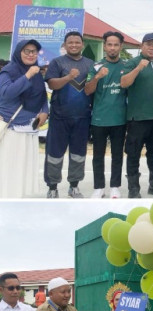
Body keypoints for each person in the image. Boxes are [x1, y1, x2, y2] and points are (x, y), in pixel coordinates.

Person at [121, 32, 153, 198]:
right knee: (133, 154)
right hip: (137, 119)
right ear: (141, 46)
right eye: (148, 44)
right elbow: (124, 83)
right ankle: (133, 189)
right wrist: (138, 68)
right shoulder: (132, 63)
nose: (152, 48)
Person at [44, 31, 93, 198]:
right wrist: (69, 77)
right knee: (54, 154)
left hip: (82, 118)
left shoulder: (90, 64)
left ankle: (74, 186)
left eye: (77, 42)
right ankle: (52, 187)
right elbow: (52, 84)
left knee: (78, 154)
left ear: (82, 44)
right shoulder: (57, 63)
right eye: (70, 42)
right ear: (64, 45)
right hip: (59, 117)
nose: (74, 45)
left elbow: (92, 88)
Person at [0, 39, 48, 198]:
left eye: (34, 51)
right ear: (18, 52)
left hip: (29, 129)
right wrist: (27, 75)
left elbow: (42, 96)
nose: (31, 54)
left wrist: (44, 111)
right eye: (26, 51)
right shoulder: (9, 71)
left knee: (24, 168)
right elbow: (7, 94)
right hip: (13, 129)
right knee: (10, 168)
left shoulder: (37, 73)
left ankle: (20, 199)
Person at [85, 31, 128, 199]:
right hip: (99, 119)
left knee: (117, 154)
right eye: (109, 44)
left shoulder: (126, 66)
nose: (112, 48)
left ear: (120, 46)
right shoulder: (96, 66)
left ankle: (115, 186)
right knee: (98, 155)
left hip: (119, 118)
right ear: (104, 46)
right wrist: (97, 77)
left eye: (116, 44)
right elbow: (87, 90)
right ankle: (99, 187)